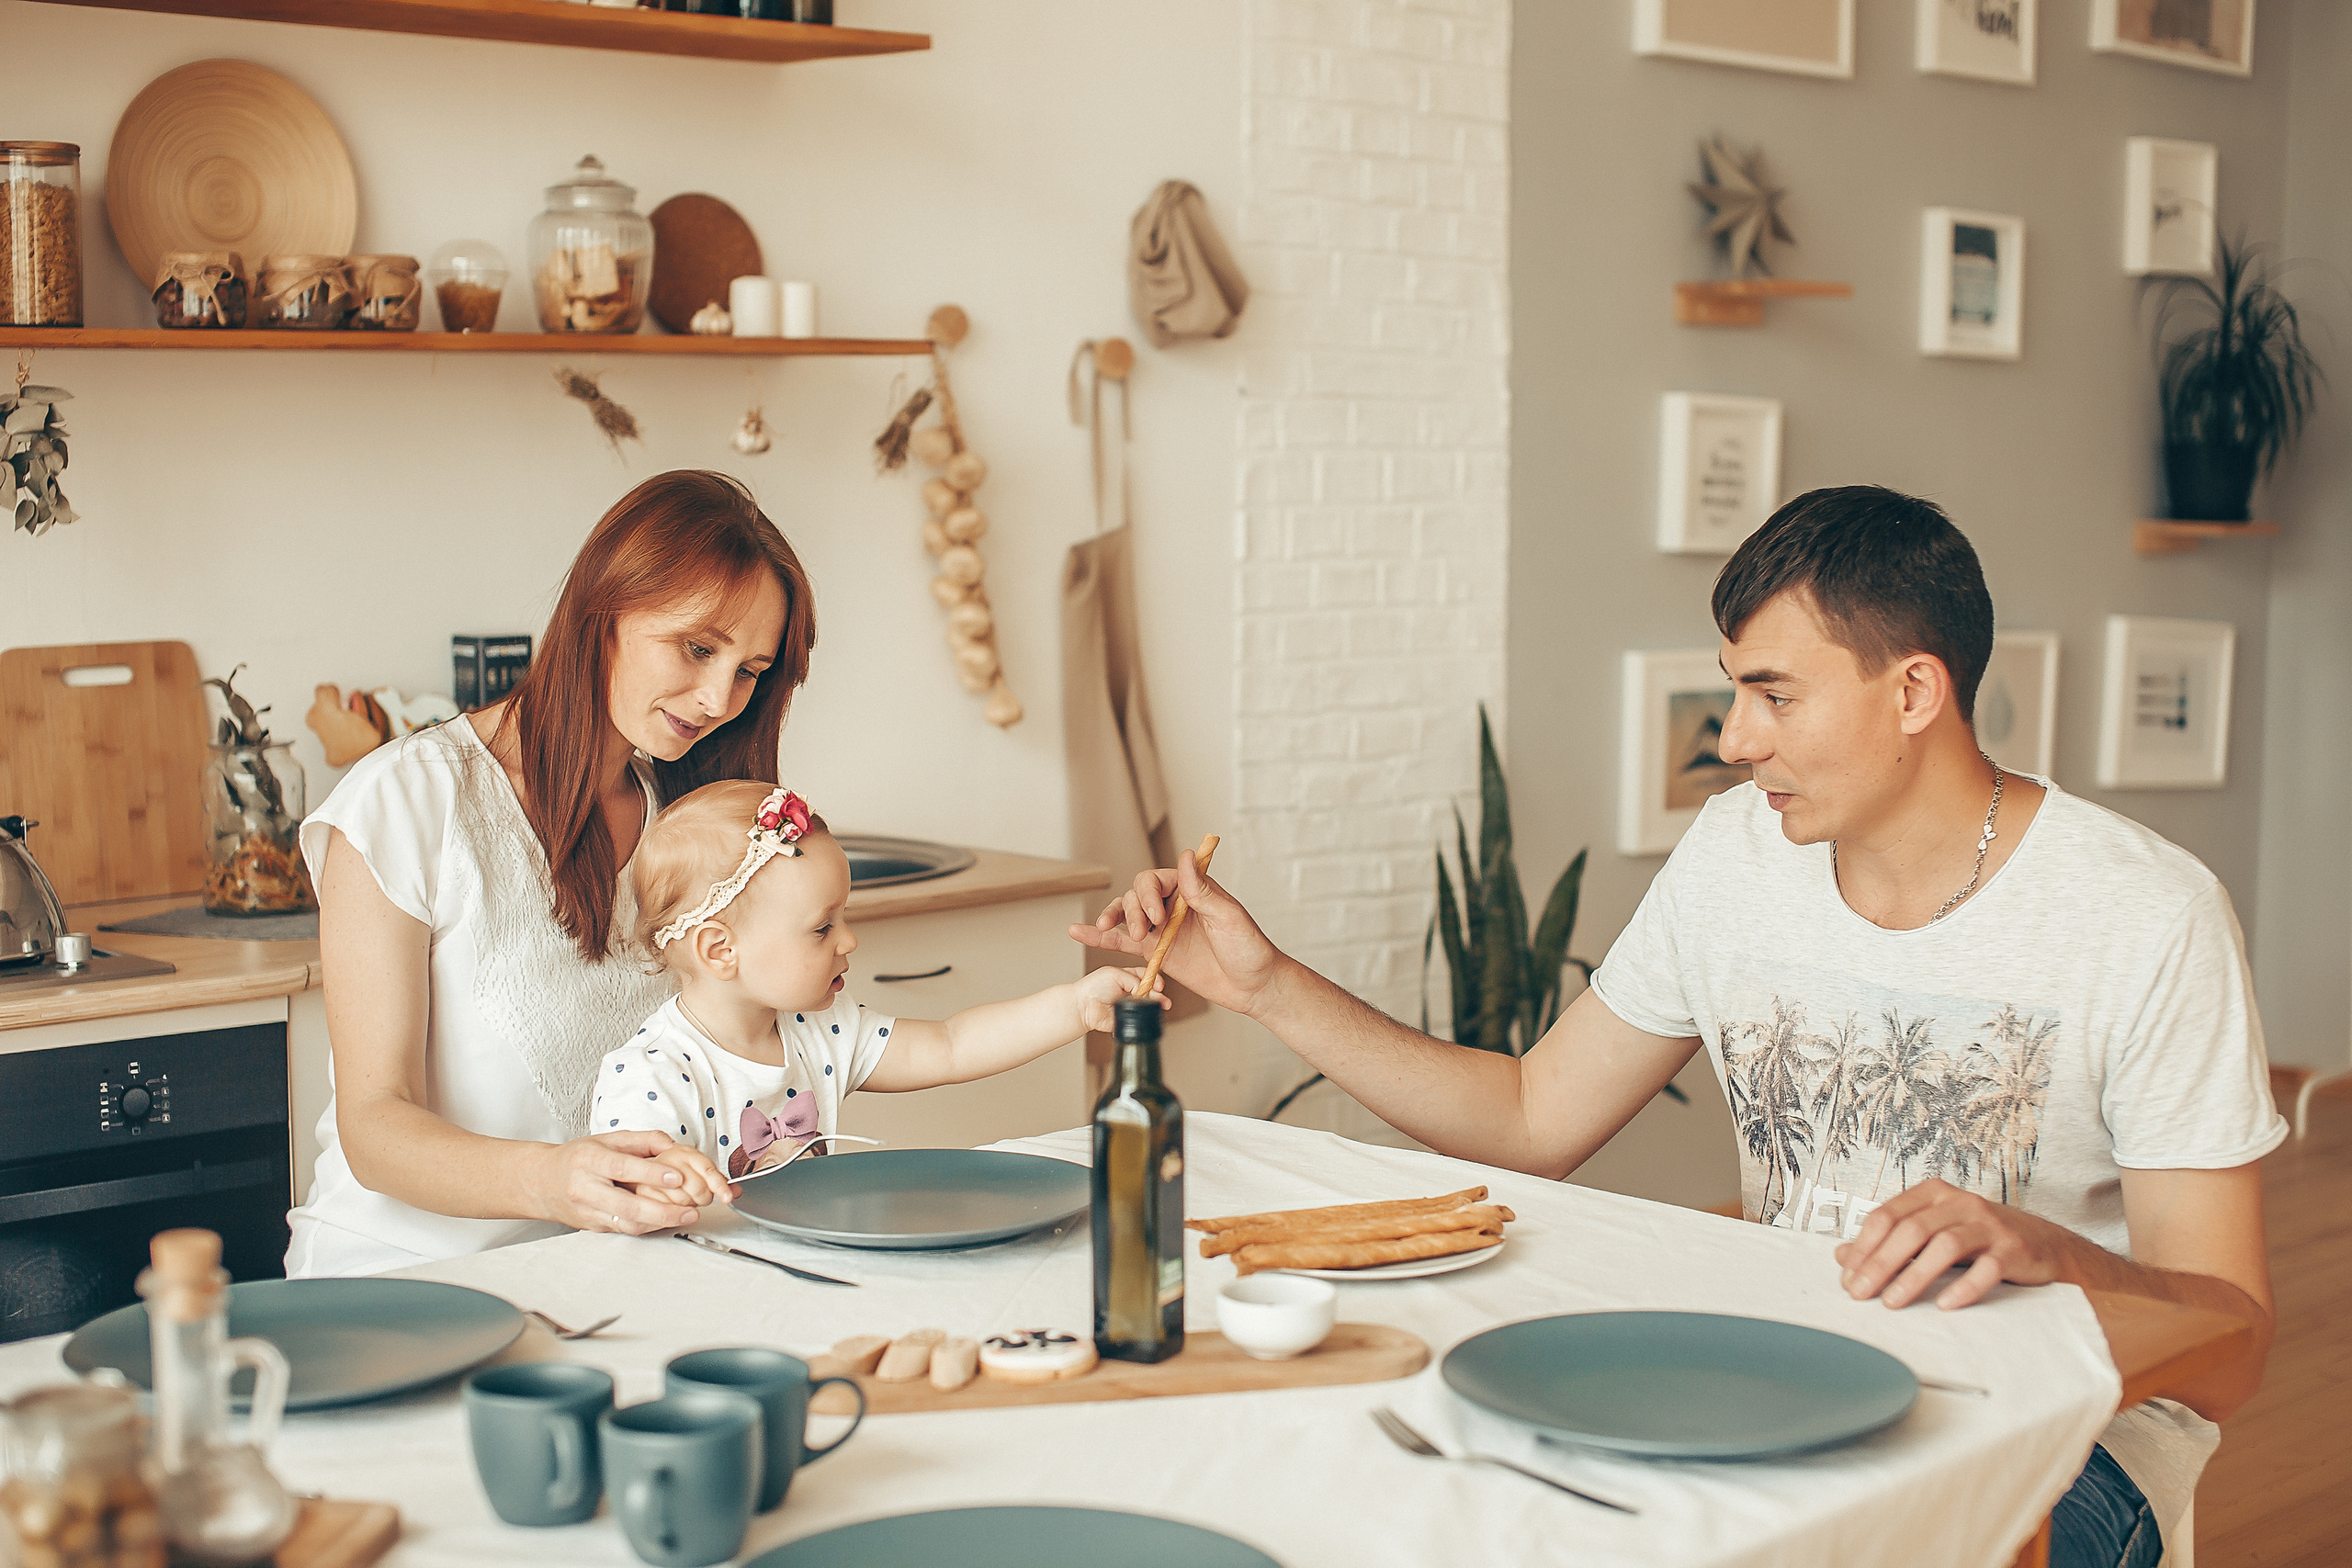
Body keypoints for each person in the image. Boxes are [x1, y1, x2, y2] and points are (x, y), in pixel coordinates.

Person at [1077, 488, 2283, 1568]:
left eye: (1772, 693)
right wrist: (1268, 982)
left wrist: (2052, 1250)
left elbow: (2228, 1348)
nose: (1735, 737)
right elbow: (1531, 1117)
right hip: (1784, 1393)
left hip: (2066, 1445)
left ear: (1915, 689)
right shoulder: (1735, 857)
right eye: (1733, 690)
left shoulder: (2146, 915)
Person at [289, 470, 818, 1278]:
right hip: (400, 1281)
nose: (719, 697)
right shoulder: (408, 799)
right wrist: (554, 1178)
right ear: (605, 608)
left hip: (605, 1276)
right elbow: (374, 1123)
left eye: (749, 670)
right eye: (698, 647)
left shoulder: (690, 823)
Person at [597, 779, 1159, 1203]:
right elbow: (621, 1207)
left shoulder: (821, 1029)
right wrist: (664, 1187)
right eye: (823, 928)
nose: (849, 941)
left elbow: (952, 1045)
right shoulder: (649, 1078)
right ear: (720, 950)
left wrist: (1076, 1006)